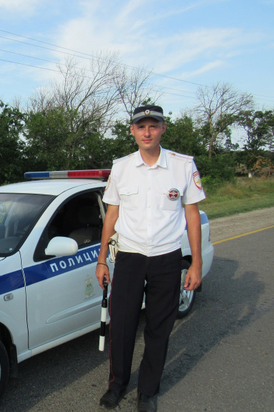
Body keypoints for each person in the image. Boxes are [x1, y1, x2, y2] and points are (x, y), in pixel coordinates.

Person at [95, 105, 205, 412]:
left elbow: (192, 215)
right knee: (122, 327)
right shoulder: (121, 167)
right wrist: (102, 259)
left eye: (152, 126)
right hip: (129, 257)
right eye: (140, 126)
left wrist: (195, 263)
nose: (146, 132)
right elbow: (112, 214)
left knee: (159, 328)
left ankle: (148, 392)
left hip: (166, 259)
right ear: (132, 130)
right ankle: (117, 385)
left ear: (163, 128)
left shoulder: (183, 166)